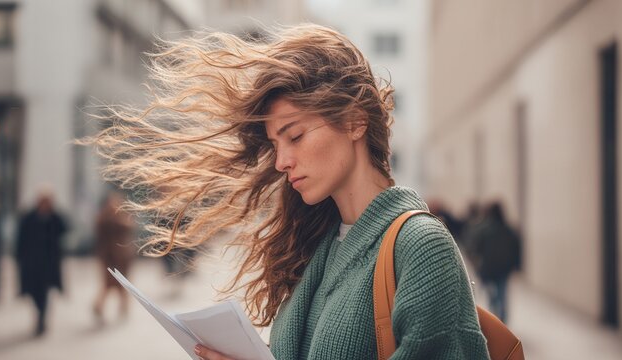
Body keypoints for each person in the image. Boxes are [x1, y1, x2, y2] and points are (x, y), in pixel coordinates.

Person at [87, 24, 490, 359]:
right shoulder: (318, 243)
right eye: (275, 145)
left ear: (354, 122)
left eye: (294, 136)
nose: (281, 161)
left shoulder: (421, 249)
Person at [16, 191, 67, 336]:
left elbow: (65, 228)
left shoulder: (54, 217)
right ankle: (39, 314)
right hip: (31, 264)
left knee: (44, 293)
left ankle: (41, 320)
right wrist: (19, 257)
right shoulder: (29, 217)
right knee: (33, 292)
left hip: (48, 265)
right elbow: (21, 239)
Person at [467, 202, 521, 323]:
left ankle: (495, 320)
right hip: (504, 268)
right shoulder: (509, 229)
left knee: (492, 295)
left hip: (489, 268)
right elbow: (516, 248)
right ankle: (502, 321)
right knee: (502, 294)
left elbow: (475, 248)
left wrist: (477, 264)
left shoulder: (484, 229)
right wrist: (516, 265)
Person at [93, 190, 136, 322]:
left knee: (123, 285)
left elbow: (129, 229)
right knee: (108, 285)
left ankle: (123, 307)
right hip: (109, 257)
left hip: (122, 257)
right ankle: (99, 306)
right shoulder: (104, 218)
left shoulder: (122, 218)